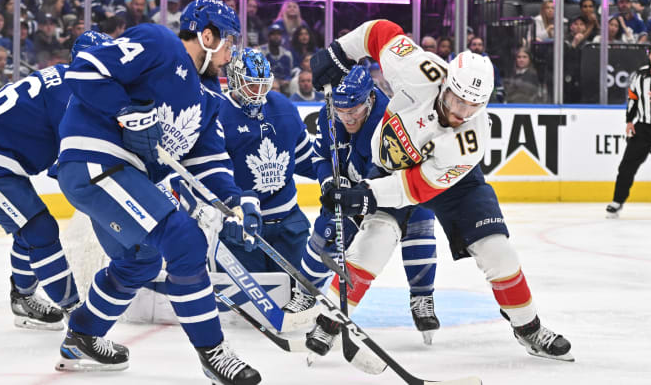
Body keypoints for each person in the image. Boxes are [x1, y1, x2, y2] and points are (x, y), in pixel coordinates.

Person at [310, 19, 574, 362]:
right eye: (456, 100)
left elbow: (417, 189)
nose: (460, 112)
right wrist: (339, 53)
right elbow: (379, 32)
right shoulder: (418, 68)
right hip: (393, 167)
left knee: (498, 251)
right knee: (372, 244)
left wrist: (366, 194)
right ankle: (328, 320)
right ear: (445, 81)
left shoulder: (470, 140)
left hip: (452, 182)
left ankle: (528, 327)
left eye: (472, 107)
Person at [53, 0, 262, 385]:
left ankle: (81, 336)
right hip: (96, 160)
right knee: (184, 239)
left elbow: (209, 163)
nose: (232, 53)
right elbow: (85, 70)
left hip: (123, 178)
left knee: (140, 262)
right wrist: (125, 110)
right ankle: (213, 352)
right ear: (208, 34)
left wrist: (239, 202)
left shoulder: (209, 99)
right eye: (230, 42)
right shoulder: (159, 42)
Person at [0, 31, 110, 332]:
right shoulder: (74, 94)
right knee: (39, 228)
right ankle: (76, 314)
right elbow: (70, 165)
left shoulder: (65, 79)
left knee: (31, 228)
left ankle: (23, 299)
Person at [282, 65, 442, 349]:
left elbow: (382, 175)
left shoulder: (390, 120)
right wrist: (329, 183)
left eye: (353, 111)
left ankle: (422, 297)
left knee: (420, 222)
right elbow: (321, 157)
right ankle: (306, 292)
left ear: (369, 99)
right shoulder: (330, 113)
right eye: (341, 111)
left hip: (393, 189)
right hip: (353, 186)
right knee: (328, 230)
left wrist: (356, 196)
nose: (347, 118)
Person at [216, 48, 316, 273]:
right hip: (240, 224)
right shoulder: (218, 115)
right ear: (234, 79)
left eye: (263, 84)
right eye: (251, 84)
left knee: (297, 297)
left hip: (289, 225)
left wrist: (334, 177)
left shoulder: (284, 109)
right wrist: (232, 210)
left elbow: (306, 161)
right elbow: (213, 176)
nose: (258, 92)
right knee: (250, 304)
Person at [606, 40, 651, 218]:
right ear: (649, 56)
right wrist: (629, 121)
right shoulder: (639, 76)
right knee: (627, 166)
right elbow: (633, 98)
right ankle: (617, 201)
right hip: (644, 127)